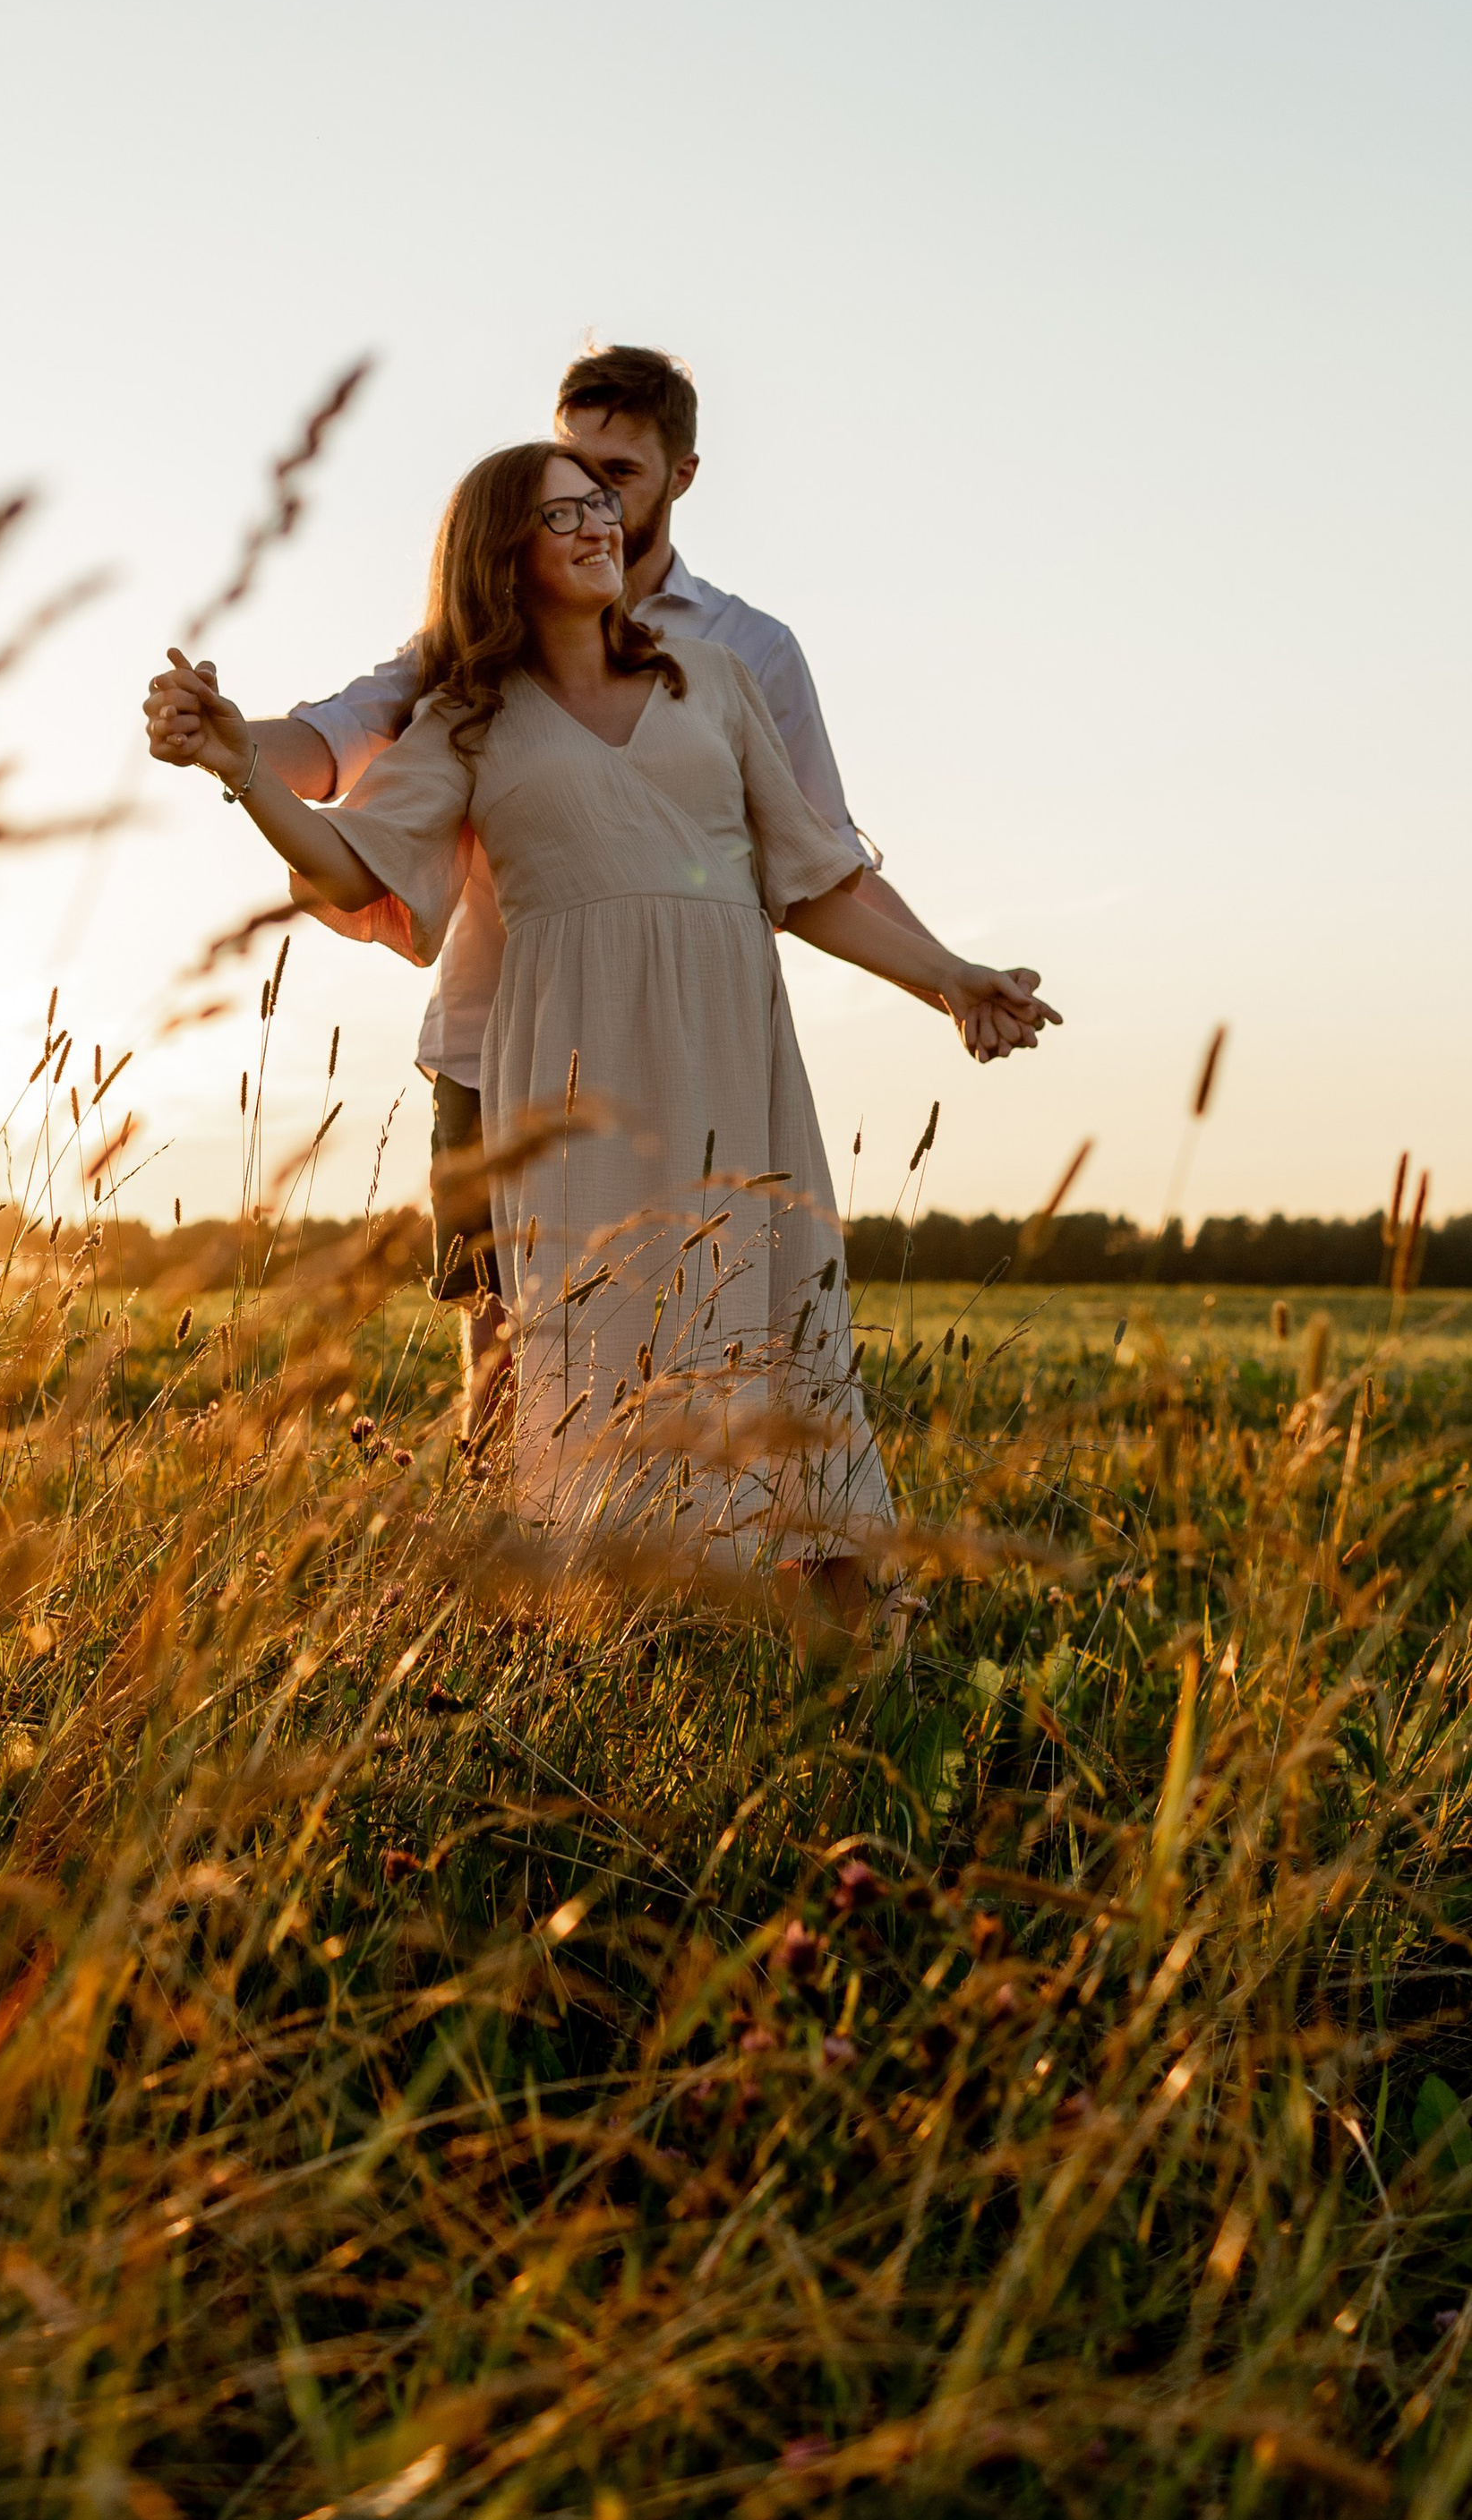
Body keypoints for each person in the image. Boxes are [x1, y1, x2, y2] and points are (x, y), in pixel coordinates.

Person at [144, 439, 1057, 1631]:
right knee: (605, 1342)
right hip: (573, 1067)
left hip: (734, 1049)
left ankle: (847, 1665)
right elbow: (352, 856)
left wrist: (948, 977)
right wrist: (242, 770)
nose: (597, 526)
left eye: (601, 504)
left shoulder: (715, 679)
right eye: (560, 514)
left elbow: (813, 875)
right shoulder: (471, 717)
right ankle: (634, 1647)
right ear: (498, 554)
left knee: (783, 1326)